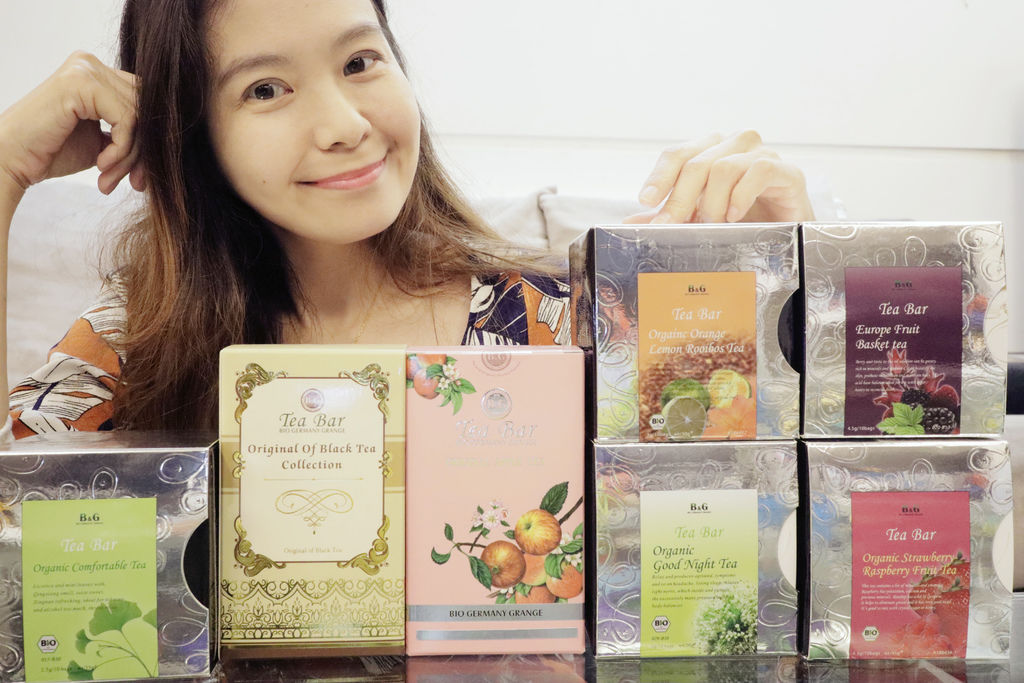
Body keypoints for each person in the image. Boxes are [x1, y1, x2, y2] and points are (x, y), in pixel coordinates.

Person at [0, 0, 814, 442]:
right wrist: (4, 171)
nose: (345, 124)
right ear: (190, 132)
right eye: (266, 89)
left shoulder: (557, 322)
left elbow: (765, 495)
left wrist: (800, 269)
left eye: (360, 62)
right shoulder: (132, 342)